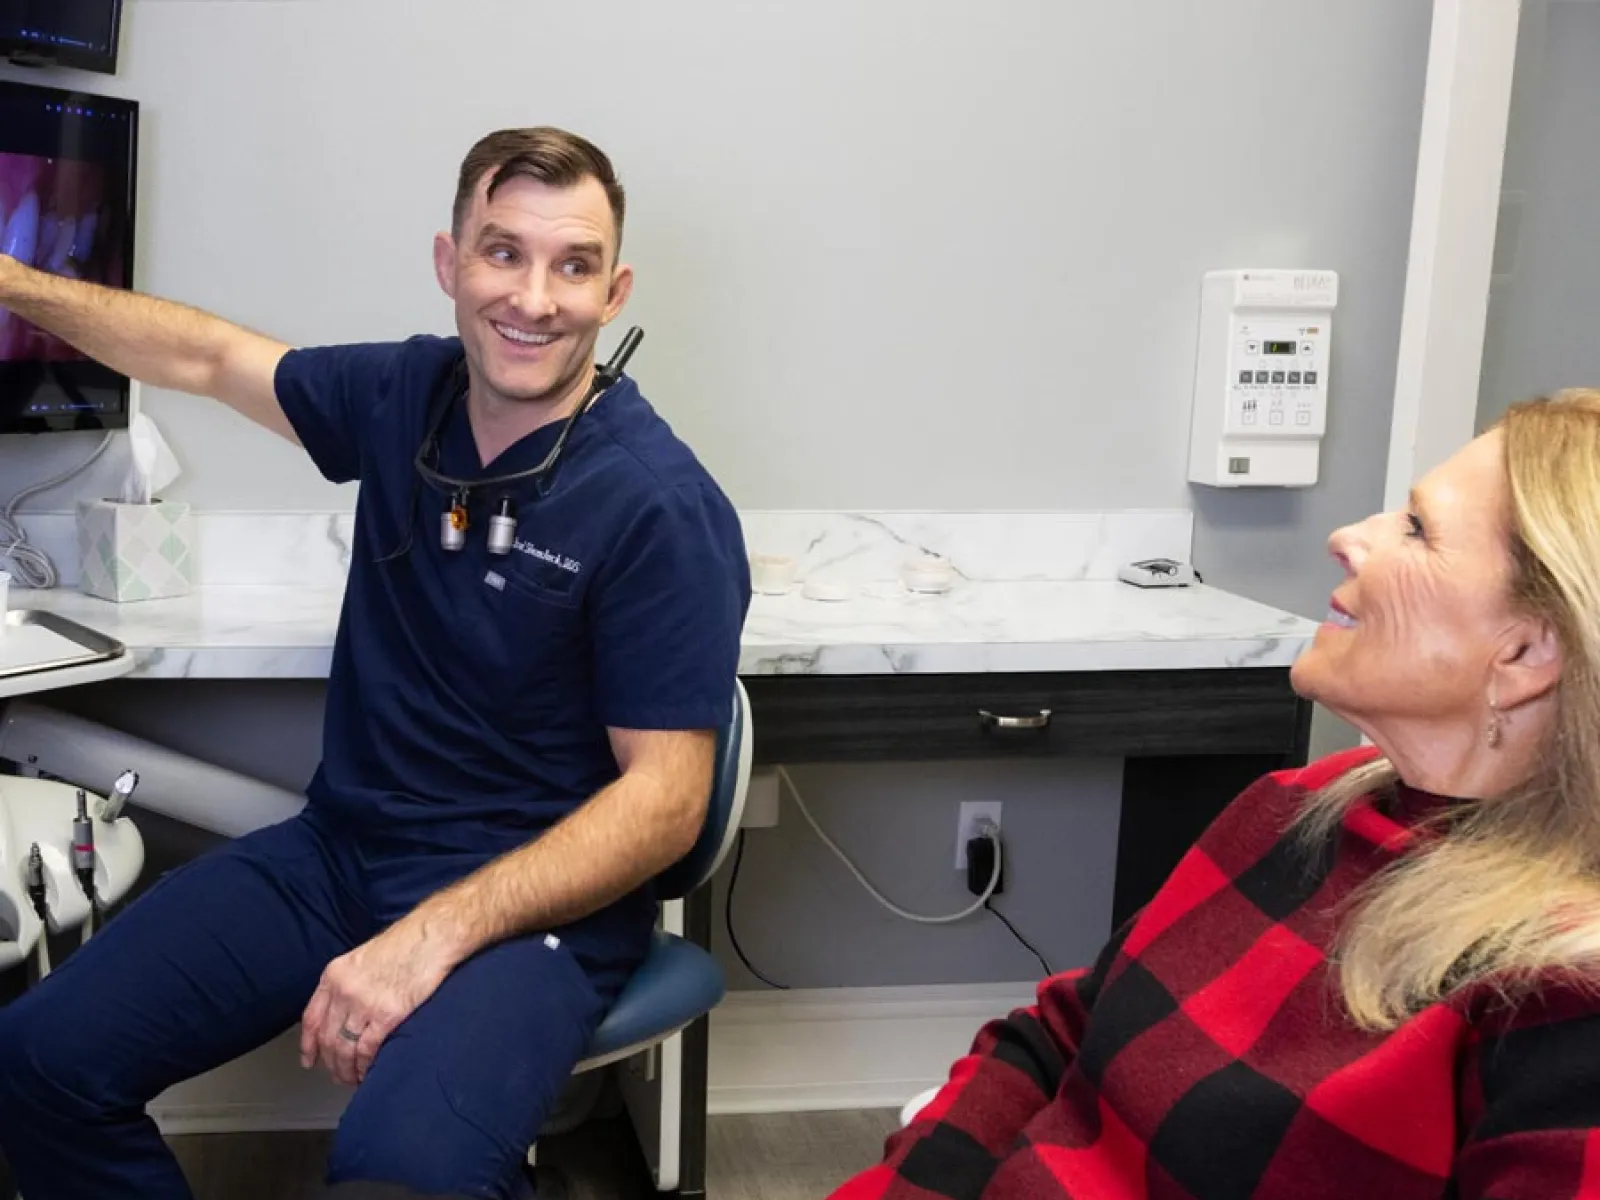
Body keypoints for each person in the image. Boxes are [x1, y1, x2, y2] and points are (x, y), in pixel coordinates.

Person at [0, 126, 750, 1199]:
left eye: (572, 265)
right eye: (503, 252)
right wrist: (12, 282)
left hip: (530, 915)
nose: (534, 298)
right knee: (37, 1062)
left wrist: (431, 937)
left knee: (402, 1176)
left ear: (613, 289)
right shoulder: (408, 395)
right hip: (343, 857)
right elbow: (207, 357)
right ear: (449, 262)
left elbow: (668, 806)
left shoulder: (657, 506)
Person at [832, 391, 1600, 1200]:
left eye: (1417, 528)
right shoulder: (1294, 809)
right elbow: (1059, 1035)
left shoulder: (1560, 996)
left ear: (1526, 652)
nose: (1347, 537)